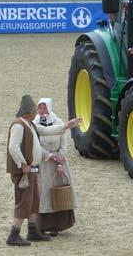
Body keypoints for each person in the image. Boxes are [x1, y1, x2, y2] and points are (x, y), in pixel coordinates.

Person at [6, 94, 81, 246]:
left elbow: (47, 131)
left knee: (33, 201)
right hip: (24, 172)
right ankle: (14, 235)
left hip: (33, 169)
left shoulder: (30, 124)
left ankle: (33, 231)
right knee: (24, 203)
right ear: (29, 111)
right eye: (35, 109)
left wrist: (67, 125)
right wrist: (22, 164)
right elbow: (13, 147)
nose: (37, 112)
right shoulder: (18, 125)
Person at [33, 98, 78, 237]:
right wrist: (50, 156)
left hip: (58, 163)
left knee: (59, 192)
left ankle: (57, 226)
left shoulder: (58, 122)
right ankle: (42, 225)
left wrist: (59, 161)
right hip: (44, 163)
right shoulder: (35, 124)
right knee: (44, 192)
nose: (41, 111)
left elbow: (64, 145)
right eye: (39, 108)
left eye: (44, 108)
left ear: (49, 108)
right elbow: (36, 145)